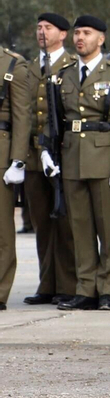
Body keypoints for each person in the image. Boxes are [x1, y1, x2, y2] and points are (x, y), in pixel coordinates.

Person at [55, 15, 110, 310]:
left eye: (86, 33)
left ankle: (106, 289)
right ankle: (85, 288)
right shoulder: (65, 74)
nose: (79, 38)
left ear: (100, 39)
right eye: (77, 33)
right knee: (80, 226)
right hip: (73, 156)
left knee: (109, 228)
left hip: (104, 157)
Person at [21, 14, 68, 306]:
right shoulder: (27, 68)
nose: (41, 32)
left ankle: (67, 283)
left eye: (48, 28)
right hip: (34, 156)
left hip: (62, 154)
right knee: (41, 222)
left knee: (65, 222)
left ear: (62, 34)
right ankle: (46, 283)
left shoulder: (71, 66)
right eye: (38, 27)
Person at [0, 35, 37, 309]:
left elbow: (22, 116)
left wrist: (17, 160)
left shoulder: (14, 65)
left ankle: (0, 290)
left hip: (1, 151)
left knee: (1, 229)